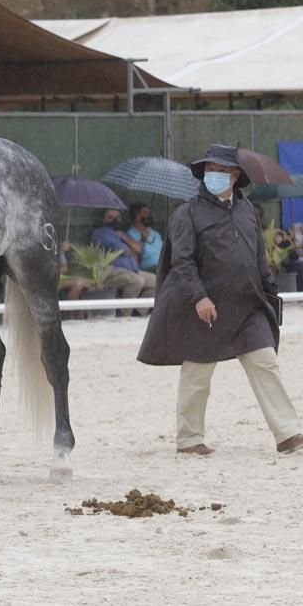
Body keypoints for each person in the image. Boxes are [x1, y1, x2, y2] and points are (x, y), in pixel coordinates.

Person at [138, 143, 303, 456]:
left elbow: (259, 258)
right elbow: (182, 262)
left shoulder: (247, 212)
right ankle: (189, 439)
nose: (212, 175)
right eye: (208, 170)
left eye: (220, 170)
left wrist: (270, 295)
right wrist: (199, 298)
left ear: (235, 174)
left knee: (265, 362)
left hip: (249, 304)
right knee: (198, 373)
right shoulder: (186, 214)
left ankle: (288, 433)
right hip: (206, 305)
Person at [91, 208, 156, 316]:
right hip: (108, 270)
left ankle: (138, 313)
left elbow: (141, 249)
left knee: (156, 281)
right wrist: (131, 249)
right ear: (103, 219)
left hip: (130, 269)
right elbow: (121, 249)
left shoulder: (123, 233)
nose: (114, 220)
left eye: (117, 218)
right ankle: (125, 316)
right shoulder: (101, 232)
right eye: (110, 217)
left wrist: (125, 238)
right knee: (137, 281)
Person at [57, 239, 91, 320]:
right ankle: (71, 314)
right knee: (77, 284)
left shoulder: (57, 248)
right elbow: (64, 269)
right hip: (50, 280)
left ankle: (82, 315)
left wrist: (61, 251)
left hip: (61, 278)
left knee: (90, 283)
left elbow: (64, 268)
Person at [126, 202, 163, 273]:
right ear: (137, 215)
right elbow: (135, 259)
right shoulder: (130, 235)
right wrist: (143, 240)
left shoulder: (155, 233)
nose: (149, 216)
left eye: (149, 213)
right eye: (146, 213)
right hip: (150, 269)